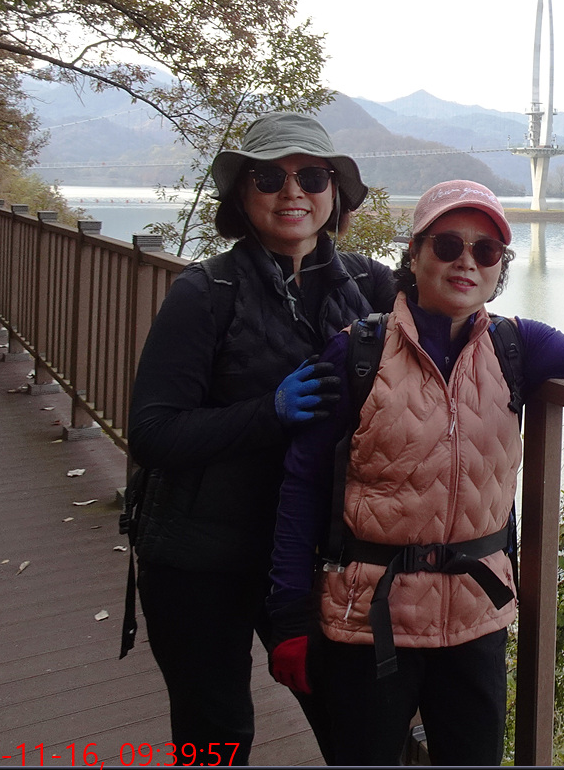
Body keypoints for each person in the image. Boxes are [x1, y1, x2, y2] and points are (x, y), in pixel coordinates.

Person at [265, 179, 564, 766]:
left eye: (486, 250)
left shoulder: (514, 346)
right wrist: (289, 616)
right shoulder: (357, 353)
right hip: (367, 620)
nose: (467, 262)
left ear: (500, 266)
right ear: (414, 254)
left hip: (475, 618)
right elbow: (302, 485)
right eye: (447, 245)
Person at [126, 112, 394, 765]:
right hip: (200, 557)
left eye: (312, 177)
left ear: (335, 193)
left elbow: (468, 332)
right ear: (243, 195)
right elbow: (154, 433)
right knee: (214, 736)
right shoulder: (204, 292)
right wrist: (269, 412)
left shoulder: (374, 286)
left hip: (312, 558)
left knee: (355, 729)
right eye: (270, 178)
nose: (292, 192)